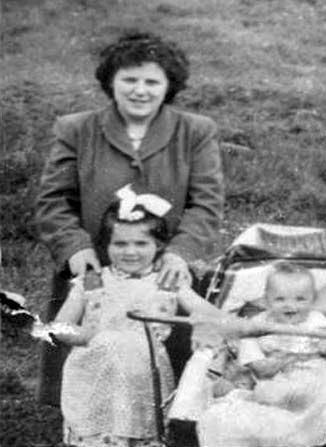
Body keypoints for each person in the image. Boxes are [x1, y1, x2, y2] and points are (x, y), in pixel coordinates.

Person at [35, 30, 224, 406]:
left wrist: (181, 254)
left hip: (165, 269)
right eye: (130, 79)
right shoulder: (77, 129)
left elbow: (207, 204)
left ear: (168, 86)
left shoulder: (195, 132)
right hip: (94, 266)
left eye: (152, 81)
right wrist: (74, 246)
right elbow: (53, 200)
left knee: (163, 373)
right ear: (111, 82)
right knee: (86, 359)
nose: (140, 90)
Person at [53, 189, 225, 447]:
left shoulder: (167, 281)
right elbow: (57, 328)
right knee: (97, 433)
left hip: (142, 377)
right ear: (106, 245)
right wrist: (84, 335)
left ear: (159, 246)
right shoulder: (91, 281)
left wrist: (210, 325)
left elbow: (210, 313)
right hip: (95, 372)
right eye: (120, 244)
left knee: (142, 429)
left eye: (141, 243)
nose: (130, 252)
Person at [197, 261, 326, 447]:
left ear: (312, 299)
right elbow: (253, 357)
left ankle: (325, 428)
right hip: (277, 379)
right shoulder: (258, 323)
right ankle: (296, 429)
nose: (291, 306)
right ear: (266, 300)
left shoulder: (319, 322)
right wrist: (265, 363)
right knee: (263, 395)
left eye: (300, 299)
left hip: (315, 378)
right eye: (280, 299)